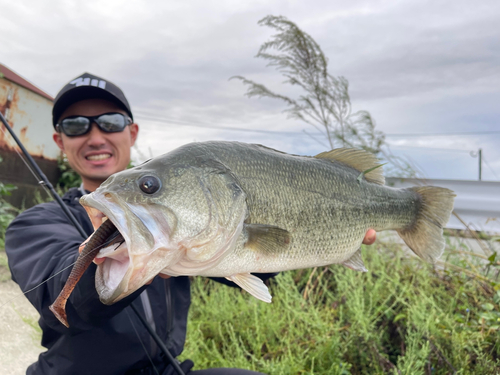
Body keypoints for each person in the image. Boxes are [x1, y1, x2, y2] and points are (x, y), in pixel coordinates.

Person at [5, 72, 377, 375]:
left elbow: (255, 267)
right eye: (76, 126)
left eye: (110, 121)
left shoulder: (194, 226)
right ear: (59, 141)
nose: (95, 135)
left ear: (131, 133)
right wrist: (112, 257)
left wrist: (320, 237)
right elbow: (65, 298)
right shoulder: (33, 224)